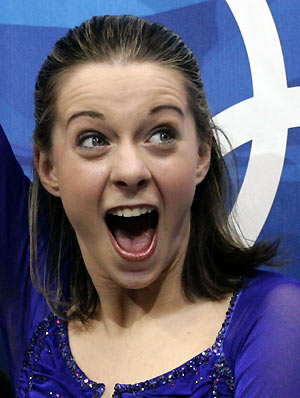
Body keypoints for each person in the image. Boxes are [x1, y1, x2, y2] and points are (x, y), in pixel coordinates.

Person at [0, 15, 299, 398]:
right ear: (48, 167)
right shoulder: (37, 287)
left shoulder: (274, 319)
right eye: (93, 140)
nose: (130, 170)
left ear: (202, 155)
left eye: (161, 134)